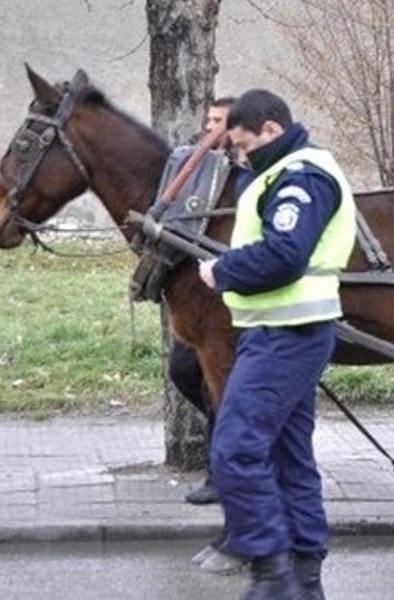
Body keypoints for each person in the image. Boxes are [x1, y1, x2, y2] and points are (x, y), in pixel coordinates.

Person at [198, 88, 356, 600]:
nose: (241, 158)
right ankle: (305, 577)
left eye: (243, 146)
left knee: (235, 449)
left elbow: (286, 253)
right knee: (289, 457)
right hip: (280, 330)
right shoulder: (283, 170)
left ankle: (273, 572)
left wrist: (222, 270)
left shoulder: (301, 176)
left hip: (287, 334)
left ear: (270, 130)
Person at [168, 96, 236, 506]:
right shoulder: (197, 169)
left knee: (221, 385)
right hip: (199, 297)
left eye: (220, 122)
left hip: (228, 298)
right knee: (183, 370)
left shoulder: (242, 175)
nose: (211, 129)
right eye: (208, 120)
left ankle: (220, 472)